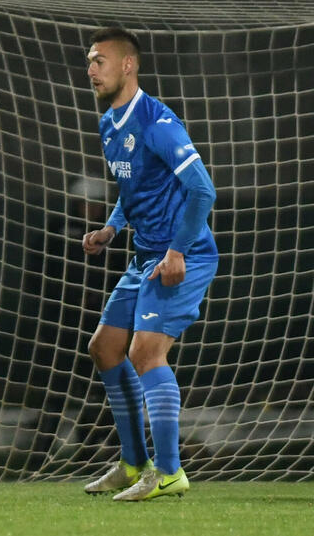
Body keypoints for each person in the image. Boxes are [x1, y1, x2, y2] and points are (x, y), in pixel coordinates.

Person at [79, 27, 218, 501]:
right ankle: (133, 463)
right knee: (104, 349)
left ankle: (170, 472)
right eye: (89, 61)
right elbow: (133, 188)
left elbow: (203, 191)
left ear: (128, 65)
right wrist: (112, 228)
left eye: (99, 61)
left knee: (145, 353)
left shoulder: (158, 123)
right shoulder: (109, 123)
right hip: (145, 256)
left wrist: (177, 250)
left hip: (184, 255)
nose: (91, 70)